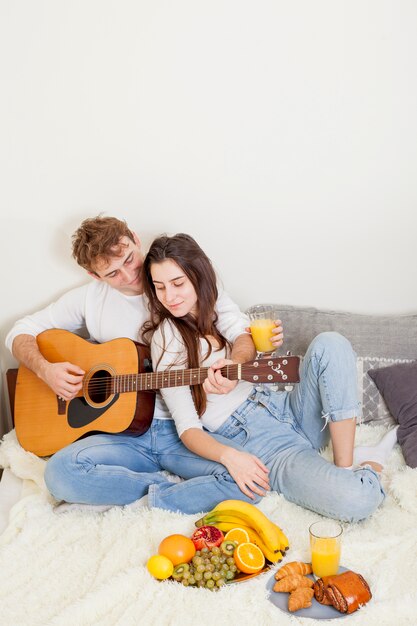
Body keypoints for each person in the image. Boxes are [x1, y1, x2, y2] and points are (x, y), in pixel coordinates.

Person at [6, 216, 283, 507]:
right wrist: (45, 369)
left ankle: (157, 498)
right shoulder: (88, 300)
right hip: (124, 433)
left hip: (181, 429)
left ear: (135, 239)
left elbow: (240, 332)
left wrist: (236, 364)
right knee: (60, 474)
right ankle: (161, 491)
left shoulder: (180, 280)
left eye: (129, 259)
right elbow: (19, 331)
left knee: (251, 481)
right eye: (112, 273)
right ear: (94, 275)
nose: (128, 275)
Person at [128, 233, 388, 522]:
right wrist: (230, 456)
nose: (170, 297)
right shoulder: (167, 339)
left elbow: (243, 338)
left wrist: (234, 367)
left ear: (198, 276)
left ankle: (345, 468)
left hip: (283, 407)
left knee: (331, 343)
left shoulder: (215, 301)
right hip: (257, 440)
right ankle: (368, 467)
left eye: (178, 283)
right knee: (357, 500)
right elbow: (188, 429)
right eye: (159, 287)